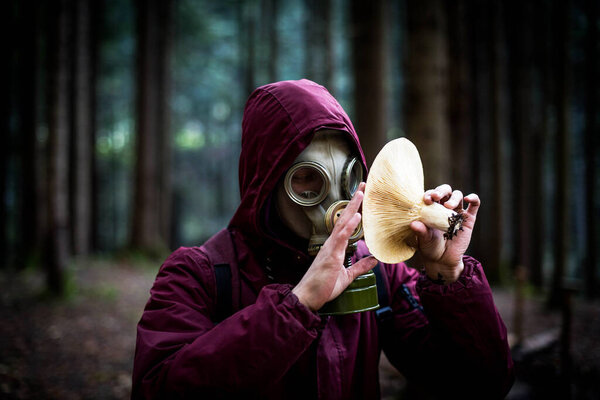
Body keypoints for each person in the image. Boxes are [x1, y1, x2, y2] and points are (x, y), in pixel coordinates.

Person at [132, 79, 514, 399]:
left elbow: (480, 384)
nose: (336, 202)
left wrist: (448, 274)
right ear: (265, 186)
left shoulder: (374, 268)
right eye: (307, 180)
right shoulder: (199, 276)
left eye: (348, 179)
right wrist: (296, 306)